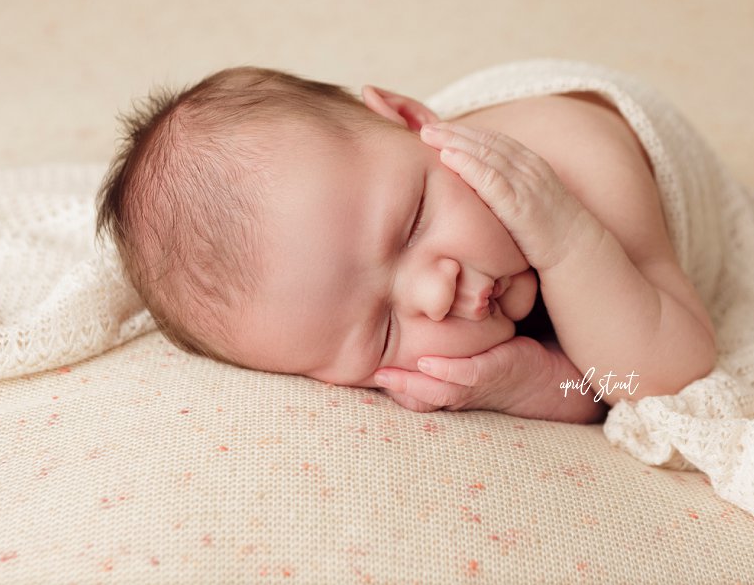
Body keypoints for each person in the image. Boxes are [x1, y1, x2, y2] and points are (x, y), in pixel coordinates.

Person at [95, 66, 717, 424]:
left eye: (413, 222)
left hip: (618, 150)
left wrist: (570, 242)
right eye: (382, 334)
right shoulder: (409, 219)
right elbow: (607, 385)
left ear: (416, 124)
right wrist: (534, 382)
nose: (433, 295)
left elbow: (665, 377)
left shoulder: (583, 163)